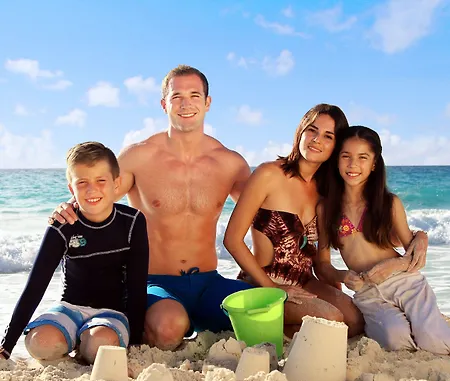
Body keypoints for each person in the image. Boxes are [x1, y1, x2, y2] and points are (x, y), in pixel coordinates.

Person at [49, 65, 252, 351]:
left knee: (275, 307)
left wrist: (259, 268)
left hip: (210, 282)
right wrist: (67, 208)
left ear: (207, 102)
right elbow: (97, 197)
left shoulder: (231, 163)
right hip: (155, 283)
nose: (185, 104)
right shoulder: (138, 156)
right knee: (169, 328)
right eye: (176, 96)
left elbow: (265, 215)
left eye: (194, 95)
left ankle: (203, 317)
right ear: (164, 104)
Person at [224, 104, 366, 338]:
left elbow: (321, 263)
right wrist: (274, 289)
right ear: (301, 131)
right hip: (263, 281)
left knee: (356, 321)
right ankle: (257, 321)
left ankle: (277, 329)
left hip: (304, 280)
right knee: (331, 319)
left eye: (328, 136)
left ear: (336, 145)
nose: (317, 140)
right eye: (312, 130)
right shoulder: (268, 174)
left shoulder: (325, 192)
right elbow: (232, 240)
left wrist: (338, 280)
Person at [0, 142, 149, 362]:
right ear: (71, 189)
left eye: (101, 180)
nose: (92, 190)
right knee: (39, 343)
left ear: (116, 183)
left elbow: (137, 286)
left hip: (112, 313)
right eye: (82, 182)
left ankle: (86, 342)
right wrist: (6, 346)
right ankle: (75, 342)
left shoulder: (132, 222)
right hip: (69, 308)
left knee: (99, 346)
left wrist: (135, 343)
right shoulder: (62, 225)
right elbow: (35, 287)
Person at [316, 125, 449, 353]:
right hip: (368, 293)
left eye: (363, 157)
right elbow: (322, 265)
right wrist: (342, 276)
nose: (353, 164)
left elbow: (415, 257)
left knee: (433, 341)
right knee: (395, 339)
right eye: (346, 156)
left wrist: (394, 265)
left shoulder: (389, 203)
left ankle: (431, 325)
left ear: (374, 164)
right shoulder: (326, 209)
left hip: (406, 283)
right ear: (337, 160)